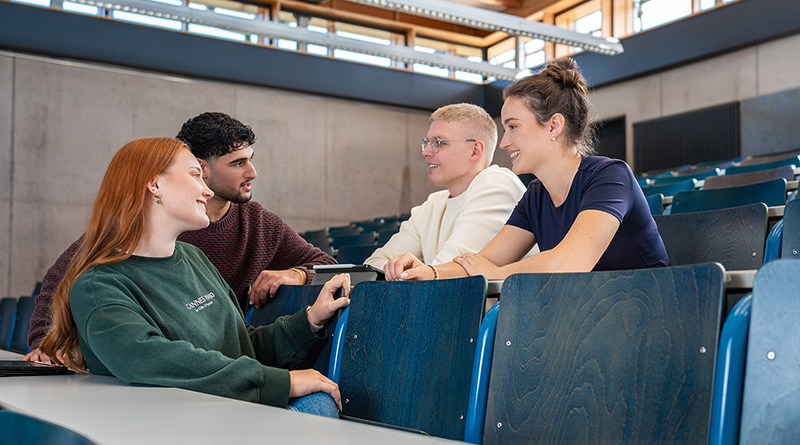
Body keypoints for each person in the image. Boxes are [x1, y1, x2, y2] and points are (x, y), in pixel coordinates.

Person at [38, 138, 348, 416]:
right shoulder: (98, 285)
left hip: (225, 412)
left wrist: (310, 320)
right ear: (154, 185)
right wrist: (280, 382)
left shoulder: (195, 259)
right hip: (177, 423)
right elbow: (150, 358)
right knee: (315, 406)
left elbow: (240, 348)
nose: (208, 190)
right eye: (195, 175)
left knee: (317, 401)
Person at [26, 112, 336, 362]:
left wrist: (296, 276)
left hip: (218, 360)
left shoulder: (254, 227)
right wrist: (45, 346)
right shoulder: (121, 254)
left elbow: (242, 343)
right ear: (202, 168)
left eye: (250, 159)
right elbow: (62, 282)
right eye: (238, 163)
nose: (252, 172)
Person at [384, 58, 669, 281]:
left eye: (513, 127)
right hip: (589, 320)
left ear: (554, 126)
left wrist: (494, 272)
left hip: (649, 314)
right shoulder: (536, 195)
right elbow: (483, 260)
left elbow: (569, 263)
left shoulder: (610, 176)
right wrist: (428, 272)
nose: (505, 142)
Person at [364, 103, 529, 271]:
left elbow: (445, 276)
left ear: (475, 150)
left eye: (439, 143)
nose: (426, 152)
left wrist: (403, 274)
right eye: (427, 142)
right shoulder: (433, 204)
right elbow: (375, 263)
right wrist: (404, 273)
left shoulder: (497, 184)